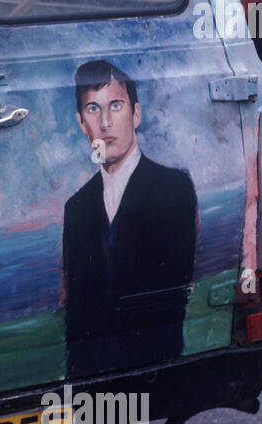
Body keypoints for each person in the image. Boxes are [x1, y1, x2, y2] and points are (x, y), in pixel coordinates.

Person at [61, 60, 197, 378]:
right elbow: (77, 310)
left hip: (150, 362)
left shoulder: (173, 186)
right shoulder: (76, 206)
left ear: (136, 114)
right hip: (89, 373)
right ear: (82, 123)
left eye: (116, 105)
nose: (106, 122)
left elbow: (174, 291)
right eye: (93, 109)